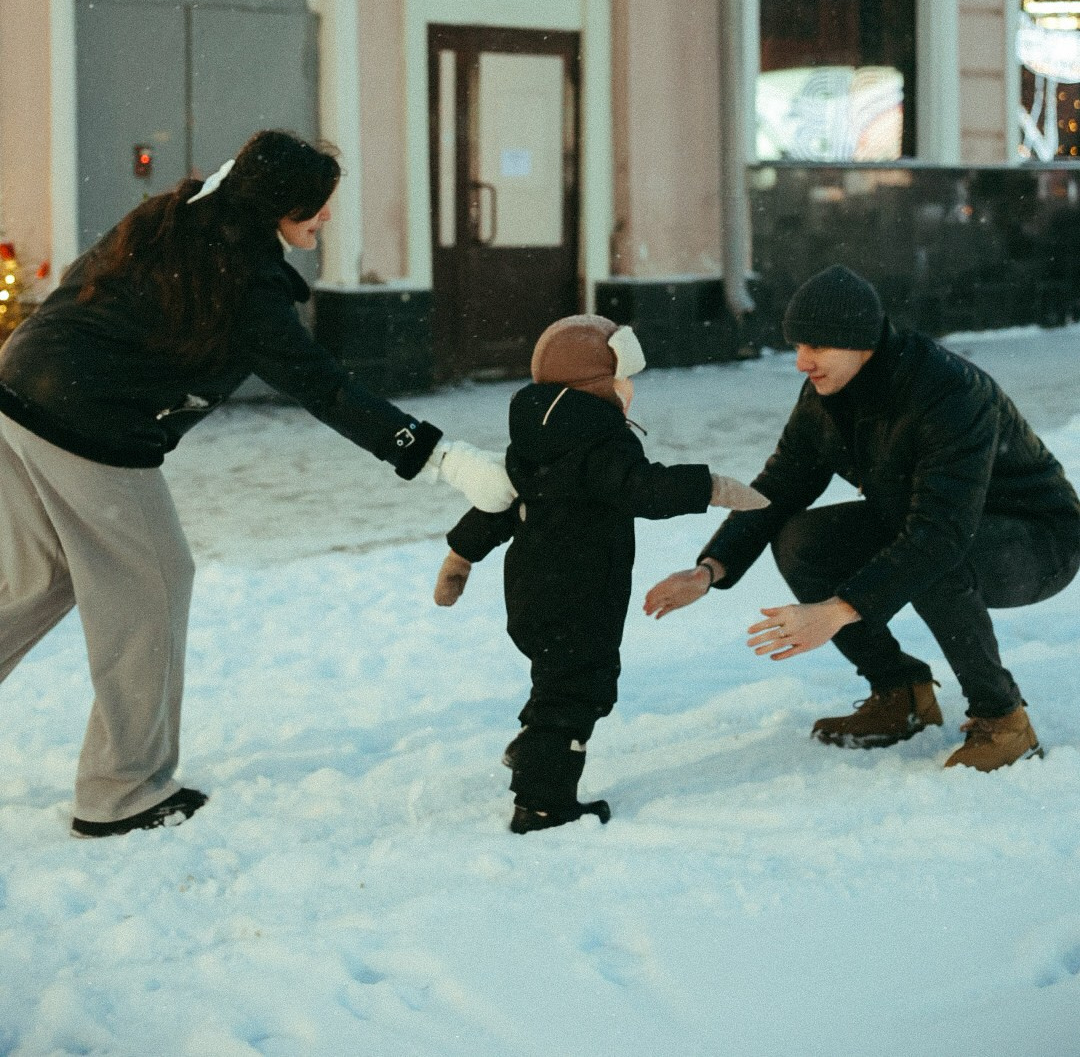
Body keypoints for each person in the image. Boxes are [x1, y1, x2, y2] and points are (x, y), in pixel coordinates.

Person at [0, 130, 514, 838]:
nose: (326, 217)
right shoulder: (243, 278)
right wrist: (439, 455)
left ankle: (121, 780)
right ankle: (122, 792)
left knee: (41, 578)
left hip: (20, 389)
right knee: (154, 584)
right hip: (88, 422)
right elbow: (323, 387)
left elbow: (80, 287)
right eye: (316, 205)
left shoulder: (176, 216)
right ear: (276, 205)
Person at [645, 265, 1080, 772]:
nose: (801, 362)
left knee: (937, 559)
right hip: (928, 523)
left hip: (1036, 540)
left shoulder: (949, 392)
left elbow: (941, 535)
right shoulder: (827, 393)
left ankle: (1004, 719)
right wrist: (710, 569)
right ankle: (901, 693)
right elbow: (779, 488)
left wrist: (837, 610)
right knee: (803, 541)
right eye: (797, 346)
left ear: (861, 341)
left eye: (816, 346)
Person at [433, 313, 768, 832]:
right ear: (595, 386)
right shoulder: (599, 444)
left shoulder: (535, 443)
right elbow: (643, 489)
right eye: (622, 379)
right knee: (578, 692)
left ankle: (533, 748)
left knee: (558, 682)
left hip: (531, 591)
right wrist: (711, 487)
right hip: (580, 595)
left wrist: (461, 556)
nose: (629, 390)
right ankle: (542, 805)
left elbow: (498, 502)